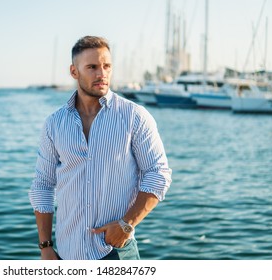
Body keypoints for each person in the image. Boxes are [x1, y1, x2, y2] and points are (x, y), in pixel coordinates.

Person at [29, 36, 172, 260]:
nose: (101, 74)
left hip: (115, 251)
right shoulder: (54, 124)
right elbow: (43, 186)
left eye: (107, 66)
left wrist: (127, 224)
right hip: (67, 254)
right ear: (74, 72)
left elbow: (158, 174)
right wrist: (45, 246)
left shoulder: (134, 117)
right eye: (92, 67)